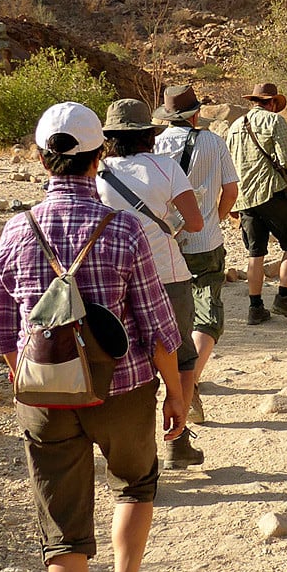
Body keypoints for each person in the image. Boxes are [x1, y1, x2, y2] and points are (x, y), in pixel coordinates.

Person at [0, 102, 187, 572]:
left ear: (41, 157)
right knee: (136, 483)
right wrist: (175, 395)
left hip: (45, 399)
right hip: (124, 390)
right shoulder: (122, 228)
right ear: (100, 157)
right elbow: (156, 328)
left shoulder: (15, 229)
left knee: (62, 531)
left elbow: (3, 336)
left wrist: (39, 385)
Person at [96, 99, 205, 470]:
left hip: (114, 280)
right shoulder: (166, 167)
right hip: (167, 275)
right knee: (182, 356)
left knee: (127, 359)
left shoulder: (98, 173)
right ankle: (178, 438)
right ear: (149, 135)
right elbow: (194, 223)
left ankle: (137, 451)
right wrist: (166, 224)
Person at [153, 85, 239, 423]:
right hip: (204, 241)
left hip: (165, 243)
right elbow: (231, 190)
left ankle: (172, 382)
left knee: (170, 315)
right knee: (207, 313)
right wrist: (213, 219)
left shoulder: (155, 145)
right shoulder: (214, 142)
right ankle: (193, 380)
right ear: (195, 114)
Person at [225, 82, 287, 325]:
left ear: (254, 101)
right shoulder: (275, 122)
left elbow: (229, 163)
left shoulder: (235, 126)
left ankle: (255, 308)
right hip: (270, 192)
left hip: (244, 197)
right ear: (272, 103)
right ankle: (283, 297)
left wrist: (231, 200)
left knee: (255, 253)